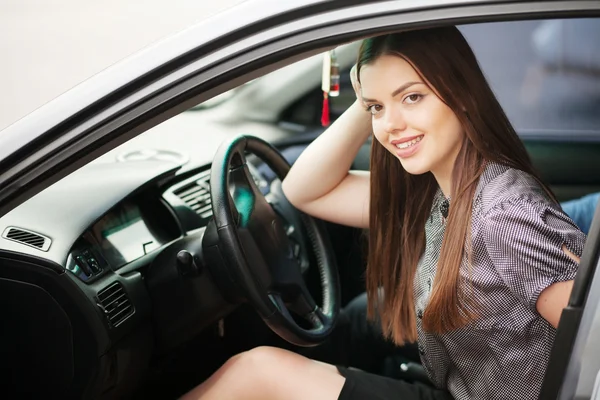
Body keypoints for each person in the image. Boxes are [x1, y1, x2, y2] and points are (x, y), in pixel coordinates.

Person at [182, 26, 586, 400]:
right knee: (354, 320)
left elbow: (592, 346)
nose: (391, 124)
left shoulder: (505, 216)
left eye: (412, 97)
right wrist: (365, 102)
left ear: (461, 94)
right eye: (377, 107)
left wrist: (377, 97)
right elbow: (303, 190)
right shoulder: (436, 190)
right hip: (462, 386)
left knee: (257, 371)